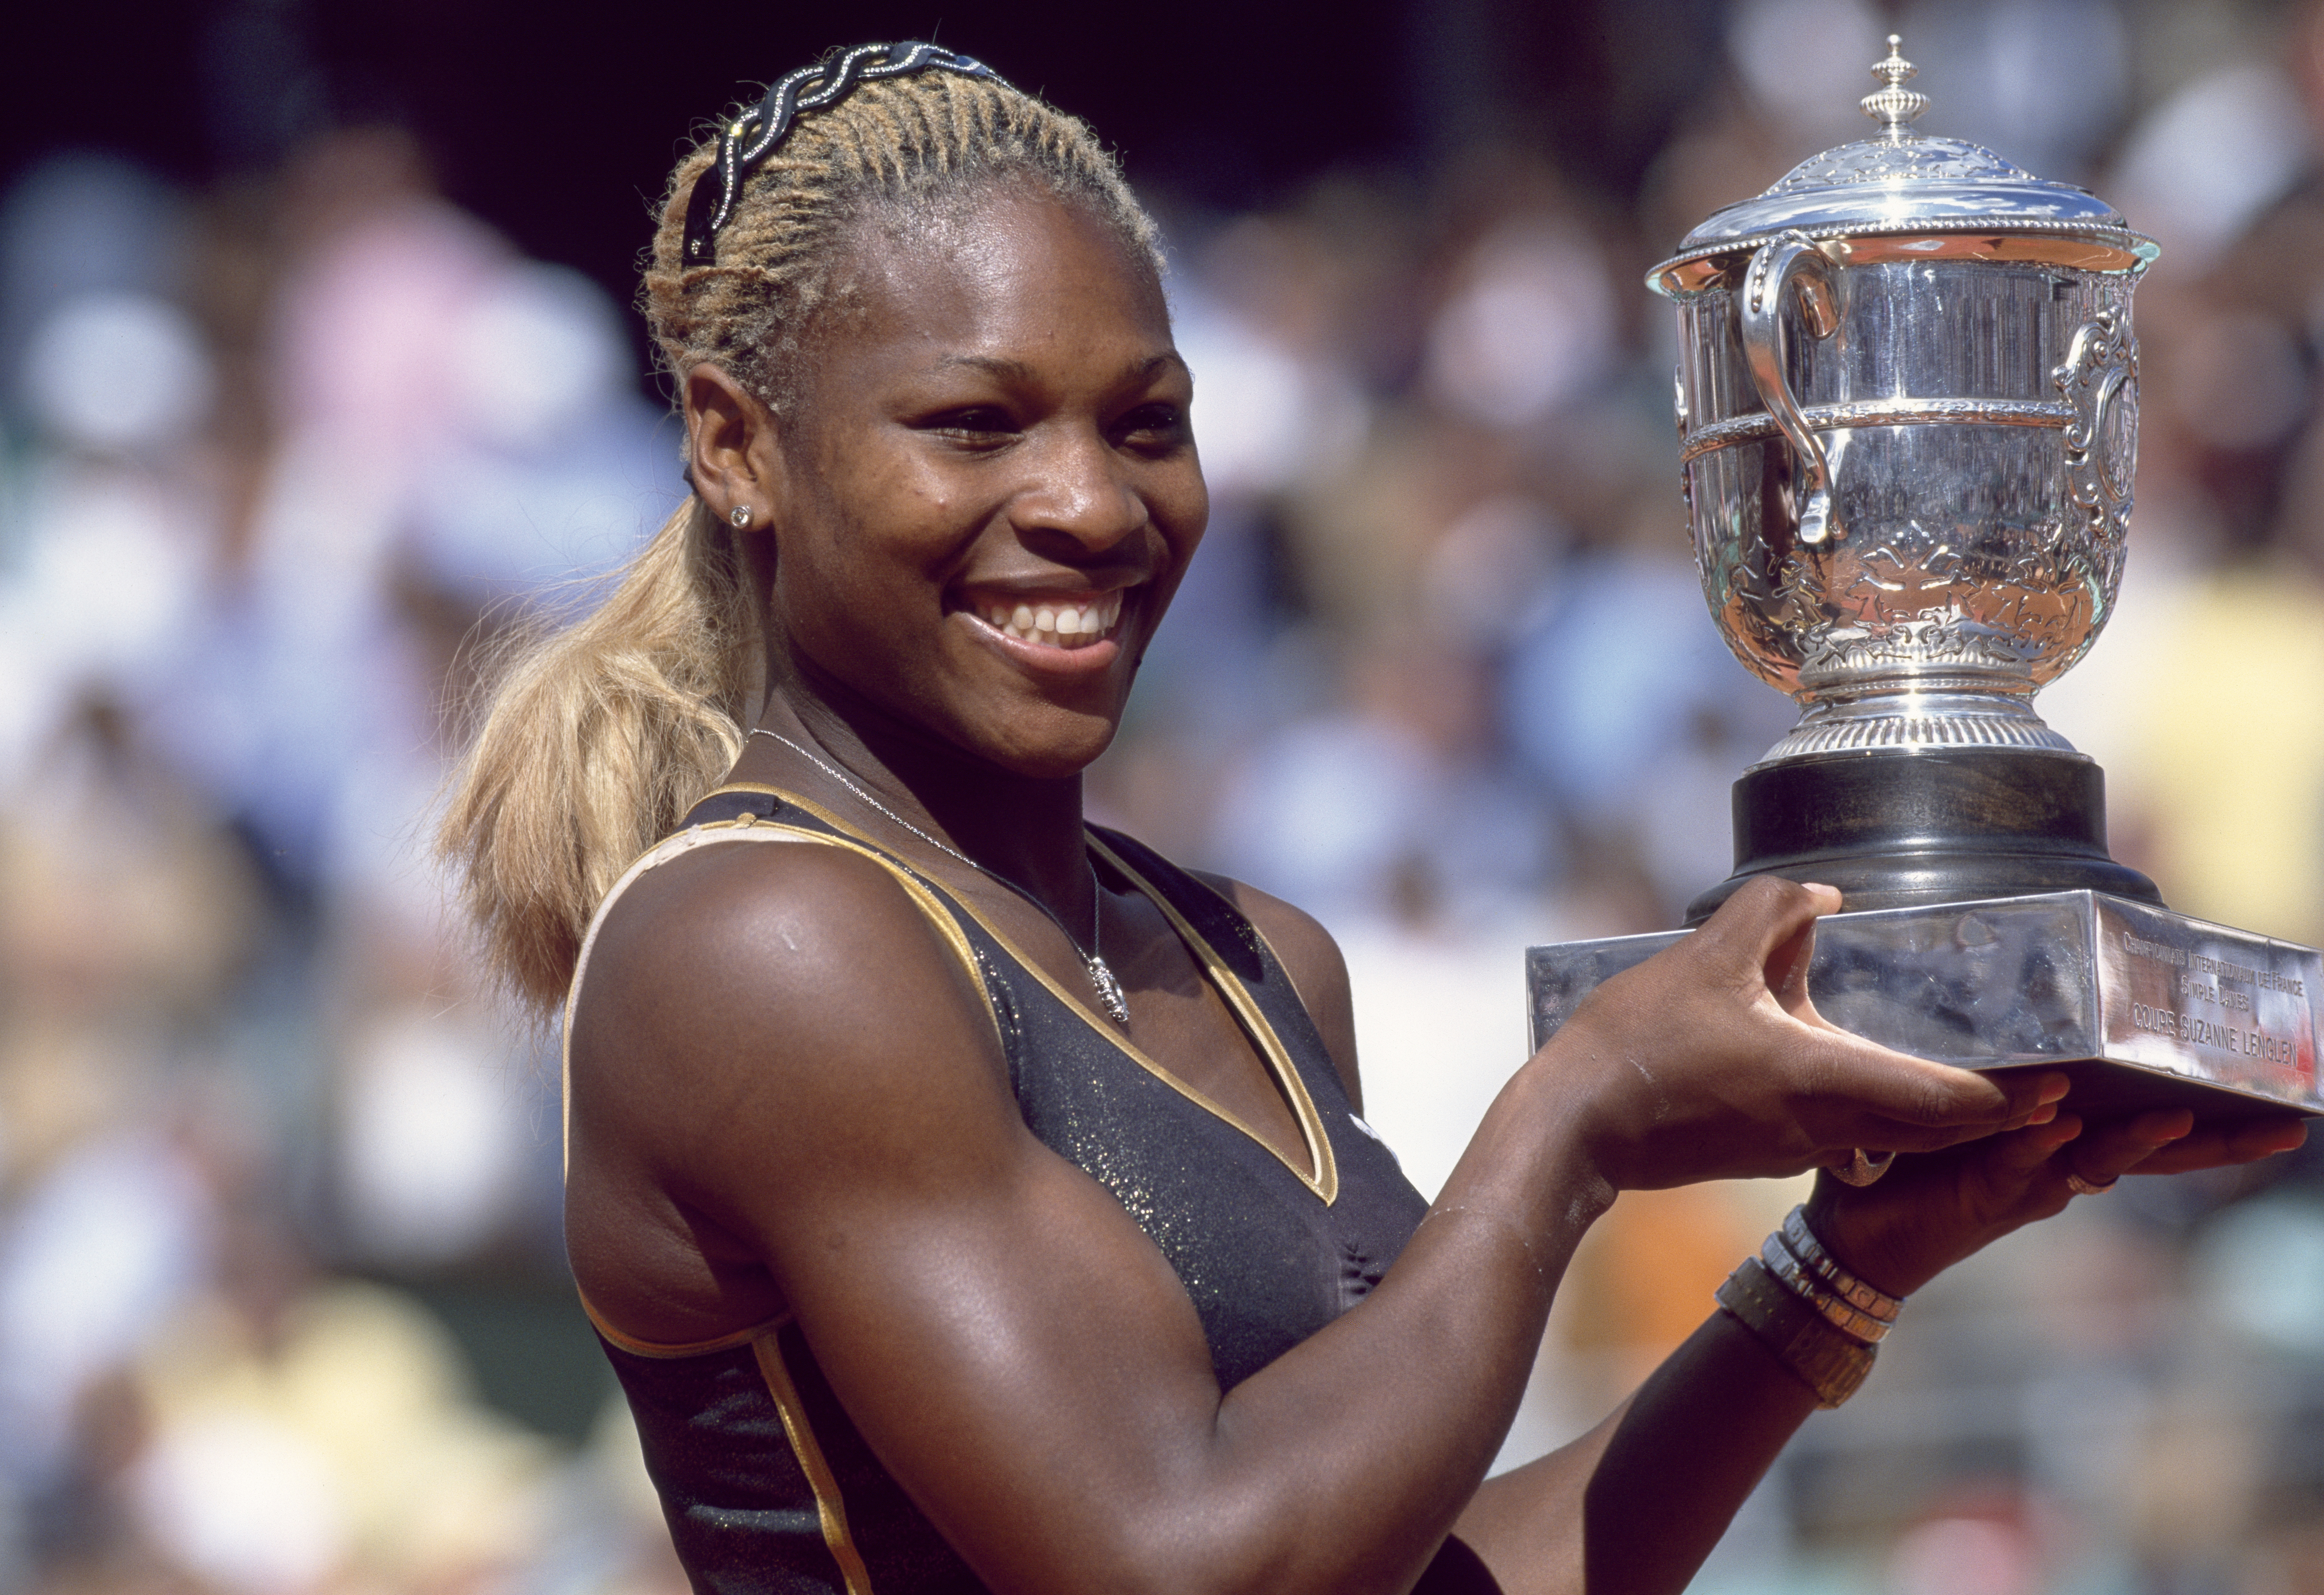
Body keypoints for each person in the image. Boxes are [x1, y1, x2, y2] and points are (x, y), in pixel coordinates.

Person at [437, 43, 2308, 1595]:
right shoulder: (757, 945)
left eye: (1144, 420)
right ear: (733, 445)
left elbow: (1403, 1575)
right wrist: (1570, 1121)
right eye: (973, 422)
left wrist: (1839, 1263)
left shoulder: (1255, 963)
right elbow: (1176, 1564)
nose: (1086, 502)